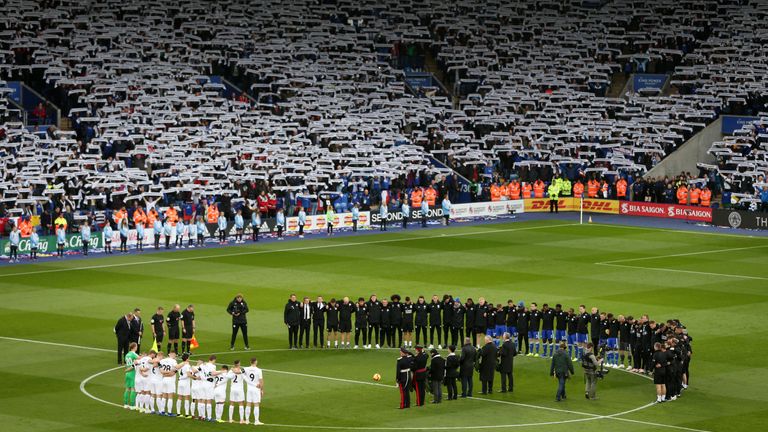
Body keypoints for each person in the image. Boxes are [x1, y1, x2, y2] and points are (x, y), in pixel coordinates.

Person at [243, 358, 264, 425]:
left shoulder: (246, 368)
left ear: (250, 362)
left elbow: (240, 372)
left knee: (248, 404)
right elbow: (261, 381)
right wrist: (262, 389)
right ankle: (256, 421)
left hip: (249, 389)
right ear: (255, 362)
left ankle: (247, 420)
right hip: (256, 389)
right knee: (256, 404)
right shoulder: (259, 370)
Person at [123, 342, 139, 409]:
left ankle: (125, 404)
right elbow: (139, 359)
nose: (137, 347)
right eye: (136, 346)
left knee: (127, 388)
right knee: (133, 388)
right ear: (134, 347)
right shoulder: (133, 354)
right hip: (132, 372)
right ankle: (132, 405)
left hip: (127, 373)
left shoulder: (127, 354)